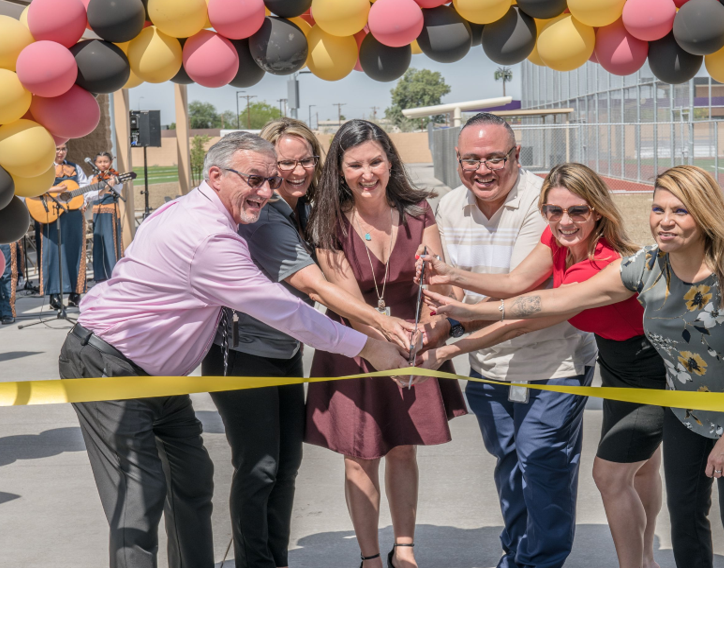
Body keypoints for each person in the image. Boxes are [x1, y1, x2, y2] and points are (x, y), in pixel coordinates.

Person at [58, 132, 408, 568]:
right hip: (108, 366)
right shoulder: (209, 239)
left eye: (271, 181)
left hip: (157, 376)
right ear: (216, 175)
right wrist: (370, 347)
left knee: (192, 481)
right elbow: (287, 311)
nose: (266, 192)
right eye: (255, 180)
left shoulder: (206, 212)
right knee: (138, 501)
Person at [425, 165, 724, 568]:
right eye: (657, 209)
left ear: (706, 214)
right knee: (682, 514)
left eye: (680, 211)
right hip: (673, 397)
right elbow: (548, 300)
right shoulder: (646, 266)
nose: (665, 221)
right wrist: (462, 307)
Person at [418, 162, 666, 568]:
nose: (564, 221)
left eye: (577, 211)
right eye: (553, 211)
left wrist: (458, 323)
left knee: (613, 476)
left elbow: (528, 313)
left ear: (598, 210)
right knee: (640, 470)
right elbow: (516, 284)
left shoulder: (604, 265)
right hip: (617, 363)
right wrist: (449, 273)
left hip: (650, 368)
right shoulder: (558, 240)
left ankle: (634, 564)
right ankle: (646, 559)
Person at [200, 118, 419, 568]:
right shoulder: (266, 218)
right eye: (284, 164)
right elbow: (315, 286)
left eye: (306, 161)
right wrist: (379, 325)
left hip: (282, 354)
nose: (297, 171)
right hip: (242, 357)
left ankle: (273, 560)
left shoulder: (301, 209)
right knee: (259, 469)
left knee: (284, 468)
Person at [433, 113, 597, 569]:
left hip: (553, 364)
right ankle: (518, 550)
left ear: (517, 156)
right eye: (471, 159)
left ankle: (537, 562)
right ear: (457, 159)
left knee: (544, 469)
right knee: (509, 466)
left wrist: (454, 333)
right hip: (488, 369)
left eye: (494, 158)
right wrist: (439, 310)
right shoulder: (448, 207)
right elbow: (452, 294)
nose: (482, 169)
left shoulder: (545, 203)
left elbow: (523, 291)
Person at [304, 119, 464, 569]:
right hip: (356, 349)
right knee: (359, 457)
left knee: (403, 449)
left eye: (376, 161)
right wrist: (391, 348)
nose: (367, 173)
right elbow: (352, 306)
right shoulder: (327, 220)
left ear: (391, 162)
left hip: (413, 343)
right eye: (355, 164)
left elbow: (441, 288)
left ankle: (406, 549)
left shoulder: (418, 212)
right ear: (340, 168)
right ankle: (370, 557)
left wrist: (432, 332)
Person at [41, 144, 89, 310]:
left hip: (73, 215)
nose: (60, 152)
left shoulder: (75, 168)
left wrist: (85, 200)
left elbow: (84, 188)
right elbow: (33, 189)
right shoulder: (42, 168)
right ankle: (54, 294)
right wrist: (54, 189)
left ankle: (75, 293)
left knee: (74, 251)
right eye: (57, 149)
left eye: (63, 149)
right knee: (53, 253)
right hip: (51, 214)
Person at [87, 152, 125, 283]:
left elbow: (118, 190)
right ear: (95, 163)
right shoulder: (92, 177)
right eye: (99, 162)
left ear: (111, 162)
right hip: (97, 212)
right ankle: (100, 276)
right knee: (98, 243)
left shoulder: (115, 176)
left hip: (110, 212)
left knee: (111, 242)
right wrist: (103, 189)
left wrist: (110, 185)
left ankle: (114, 274)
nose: (103, 164)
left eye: (105, 161)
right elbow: (89, 195)